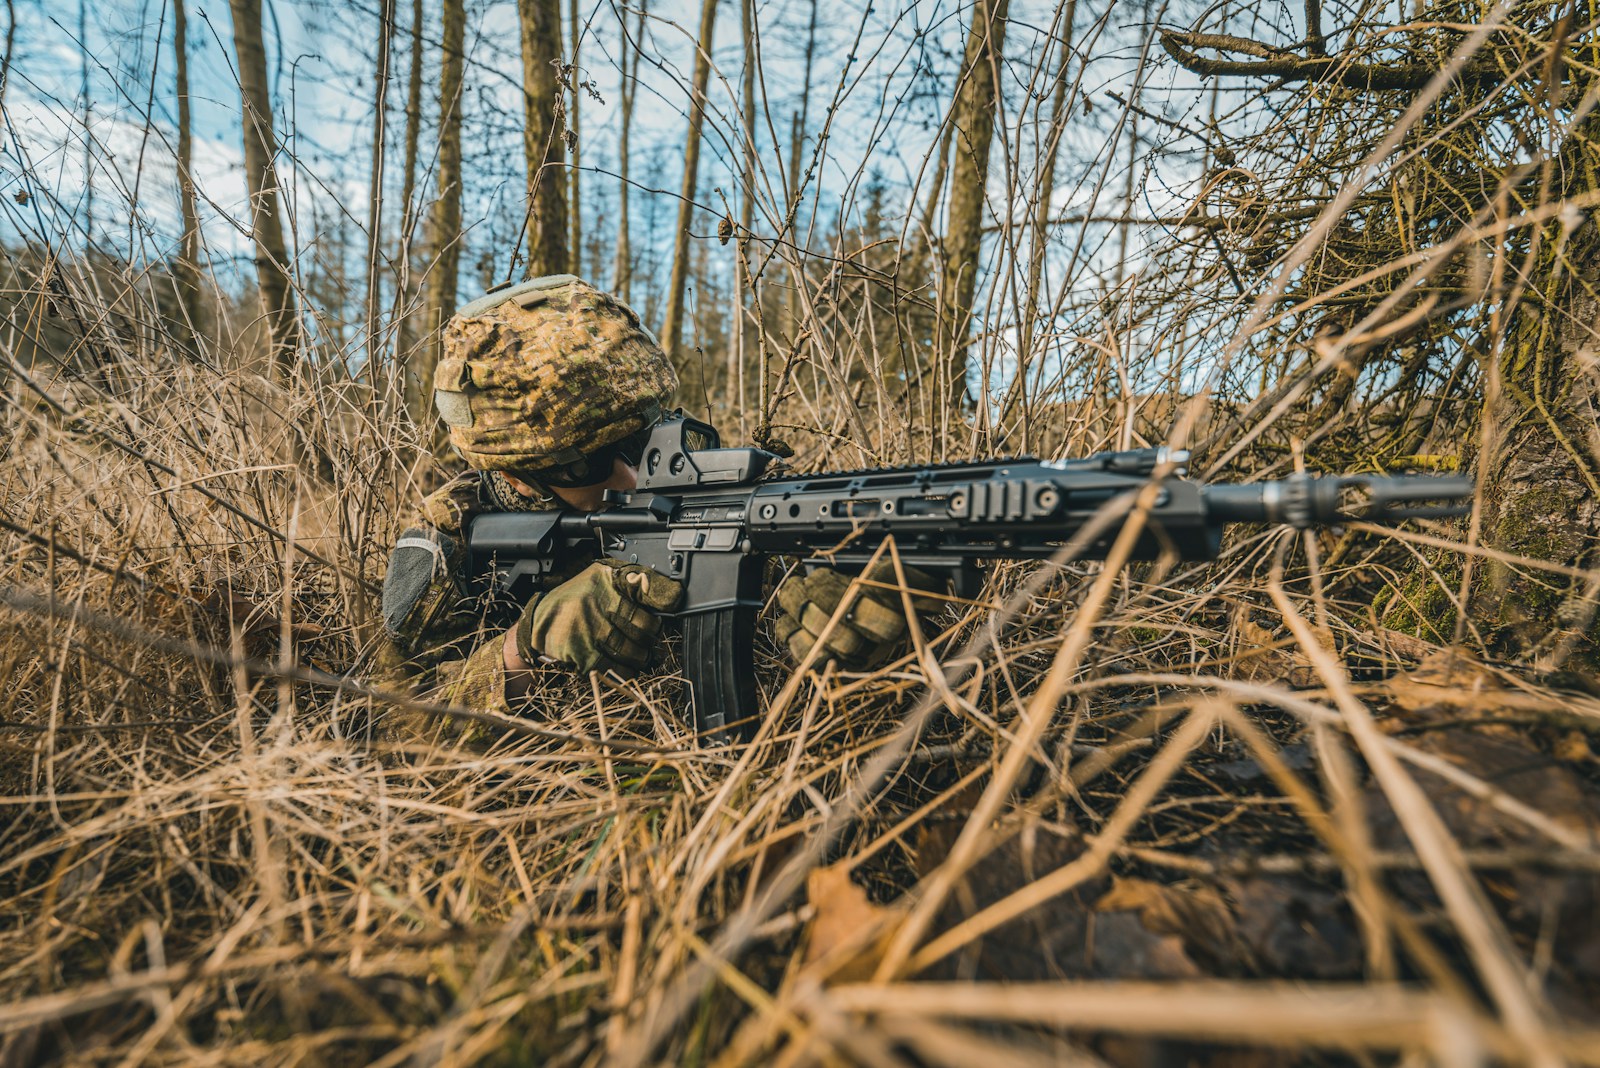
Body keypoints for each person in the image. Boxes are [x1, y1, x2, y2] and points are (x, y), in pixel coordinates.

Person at [380, 275, 931, 742]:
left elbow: (825, 609)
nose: (633, 476)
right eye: (586, 464)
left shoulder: (737, 497)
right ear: (511, 476)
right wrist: (523, 652)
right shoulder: (449, 539)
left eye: (643, 440)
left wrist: (855, 611)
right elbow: (392, 726)